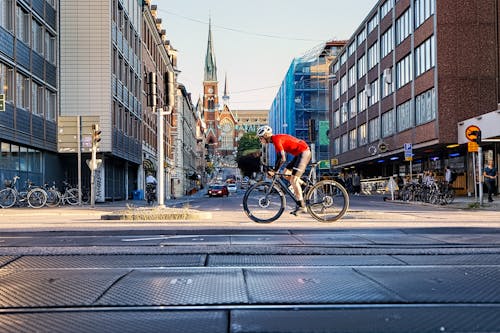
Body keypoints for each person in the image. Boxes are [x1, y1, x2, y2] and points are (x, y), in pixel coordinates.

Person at [257, 125, 312, 215]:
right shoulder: (275, 141)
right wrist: (274, 169)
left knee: (294, 180)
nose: (260, 140)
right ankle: (305, 186)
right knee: (286, 173)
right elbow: (279, 158)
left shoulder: (276, 140)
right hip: (299, 154)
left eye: (260, 138)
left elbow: (283, 159)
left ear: (266, 136)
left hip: (304, 152)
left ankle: (302, 206)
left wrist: (274, 171)